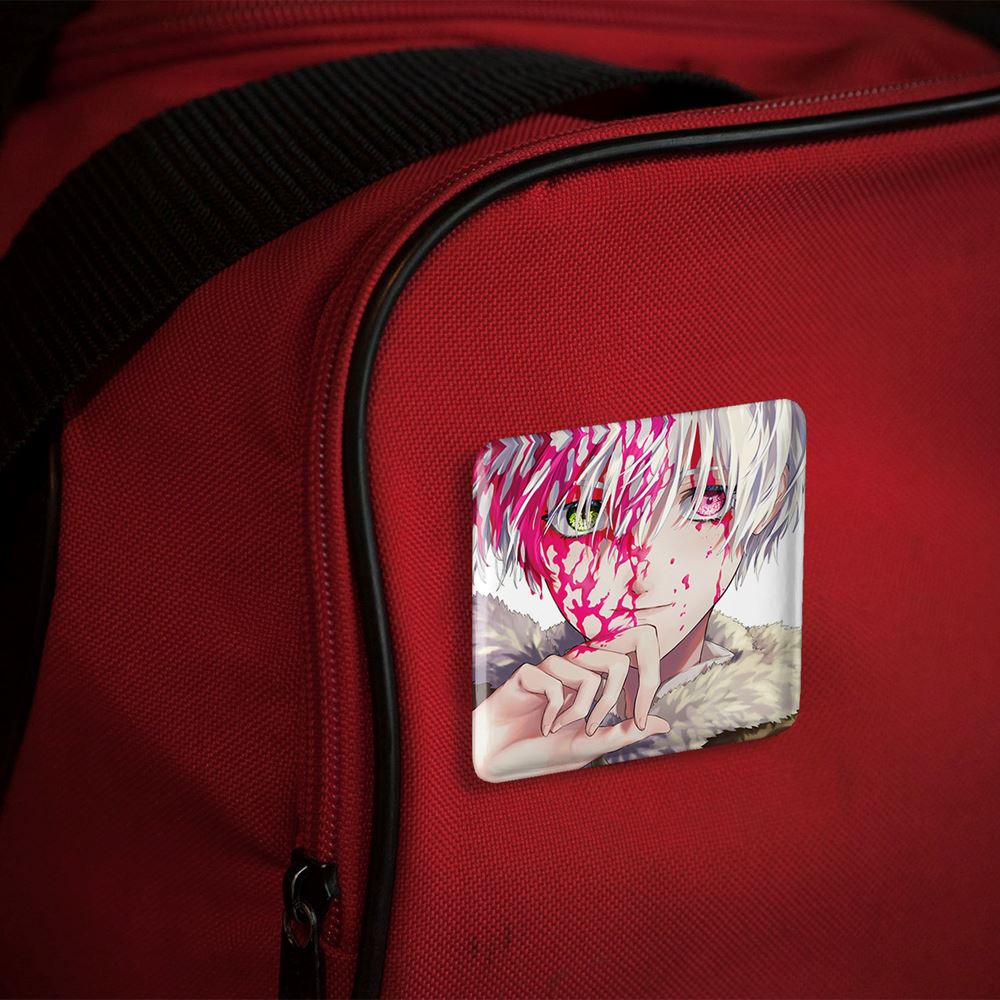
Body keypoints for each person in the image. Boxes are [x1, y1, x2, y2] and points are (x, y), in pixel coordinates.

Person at [472, 399, 805, 782]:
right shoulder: (494, 701)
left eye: (704, 499)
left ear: (767, 501)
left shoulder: (780, 705)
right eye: (581, 514)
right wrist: (497, 744)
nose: (641, 575)